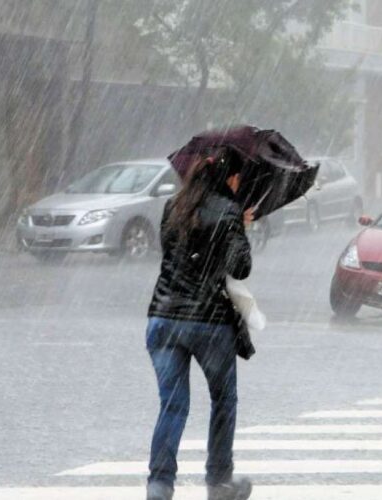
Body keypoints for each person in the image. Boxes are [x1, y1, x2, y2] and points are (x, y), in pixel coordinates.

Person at [145, 149, 254, 500]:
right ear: (229, 178)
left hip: (164, 318)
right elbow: (240, 267)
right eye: (239, 178)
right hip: (209, 323)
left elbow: (172, 251)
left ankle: (159, 486)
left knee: (172, 405)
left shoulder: (173, 206)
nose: (240, 185)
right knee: (223, 400)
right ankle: (219, 482)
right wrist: (241, 227)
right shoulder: (229, 210)